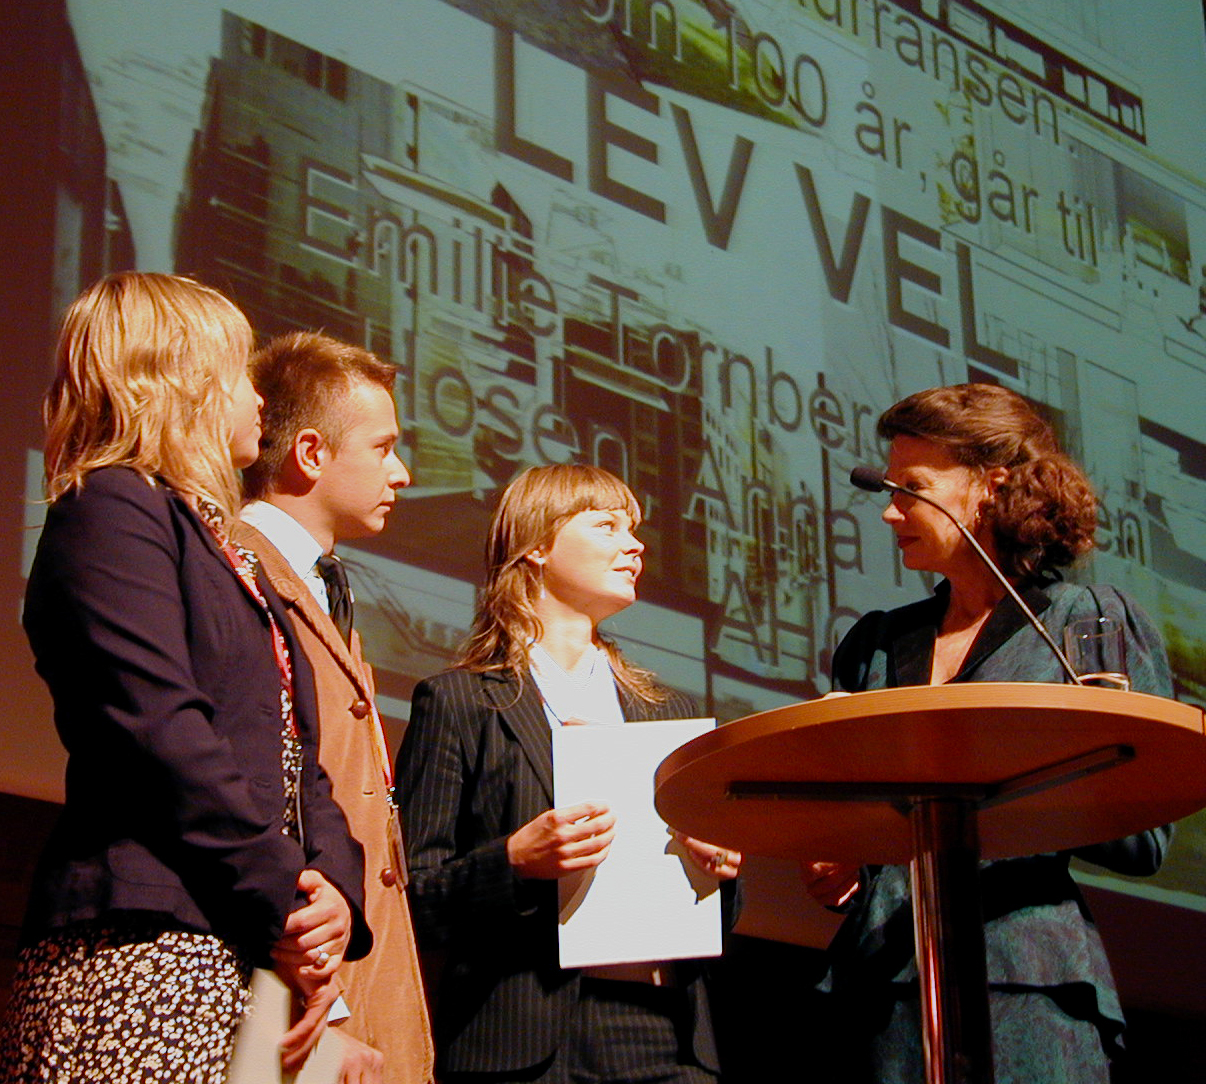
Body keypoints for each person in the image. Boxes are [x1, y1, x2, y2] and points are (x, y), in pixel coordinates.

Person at [0, 272, 371, 1083]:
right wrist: (288, 899)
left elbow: (298, 758)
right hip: (142, 951)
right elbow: (160, 732)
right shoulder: (112, 508)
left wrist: (335, 894)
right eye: (239, 373)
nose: (259, 397)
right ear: (184, 382)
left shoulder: (228, 548)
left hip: (240, 949)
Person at [808, 383, 1173, 1084]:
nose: (890, 511)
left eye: (912, 488)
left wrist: (1019, 771)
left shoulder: (1083, 621)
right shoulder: (879, 644)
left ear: (990, 485)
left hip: (1026, 981)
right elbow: (859, 818)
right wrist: (848, 864)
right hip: (884, 990)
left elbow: (1146, 835)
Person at [396, 463, 741, 1084]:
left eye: (633, 528)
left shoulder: (673, 712)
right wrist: (513, 863)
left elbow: (718, 908)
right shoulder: (461, 703)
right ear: (535, 546)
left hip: (668, 1032)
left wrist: (719, 866)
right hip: (523, 1039)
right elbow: (411, 900)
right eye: (606, 525)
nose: (634, 544)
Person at [234, 330, 434, 1084]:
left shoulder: (327, 586)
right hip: (302, 996)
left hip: (355, 974)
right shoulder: (238, 569)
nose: (403, 472)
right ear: (312, 455)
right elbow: (267, 791)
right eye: (383, 448)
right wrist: (332, 1005)